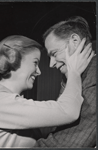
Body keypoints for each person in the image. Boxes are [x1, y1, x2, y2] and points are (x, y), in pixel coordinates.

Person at [0, 35, 93, 148]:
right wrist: (74, 72)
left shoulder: (6, 100)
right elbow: (68, 111)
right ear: (13, 59)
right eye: (35, 63)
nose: (39, 72)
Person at [35, 16, 96, 147]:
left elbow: (70, 142)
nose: (51, 64)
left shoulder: (93, 77)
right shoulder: (74, 78)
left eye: (54, 53)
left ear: (75, 41)